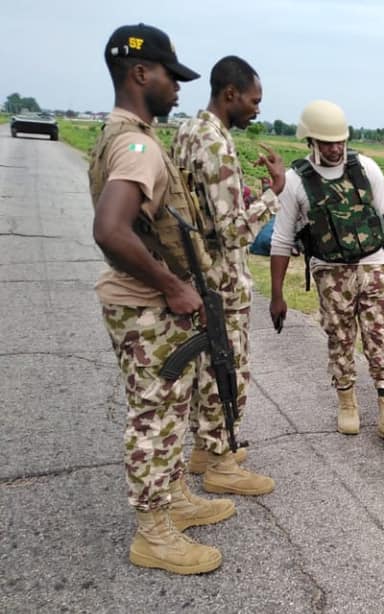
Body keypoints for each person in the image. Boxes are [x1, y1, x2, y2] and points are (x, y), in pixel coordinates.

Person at [90, 23, 231, 575]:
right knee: (156, 415)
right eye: (171, 77)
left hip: (149, 303)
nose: (177, 88)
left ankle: (173, 498)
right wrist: (172, 285)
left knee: (169, 411)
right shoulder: (137, 146)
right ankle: (153, 533)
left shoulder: (119, 135)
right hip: (147, 305)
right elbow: (111, 229)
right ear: (140, 73)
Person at [172, 56, 285, 496]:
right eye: (254, 100)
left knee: (208, 368)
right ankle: (220, 465)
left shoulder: (187, 131)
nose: (257, 109)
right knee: (227, 370)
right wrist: (273, 195)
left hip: (198, 272)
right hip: (220, 279)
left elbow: (205, 209)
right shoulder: (216, 144)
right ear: (230, 94)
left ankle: (205, 449)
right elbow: (232, 230)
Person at [269, 100, 384, 445]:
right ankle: (347, 403)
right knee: (340, 338)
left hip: (373, 264)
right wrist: (276, 295)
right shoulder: (295, 181)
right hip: (330, 271)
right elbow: (282, 238)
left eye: (339, 142)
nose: (334, 149)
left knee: (380, 338)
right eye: (326, 142)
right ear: (310, 142)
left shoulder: (367, 168)